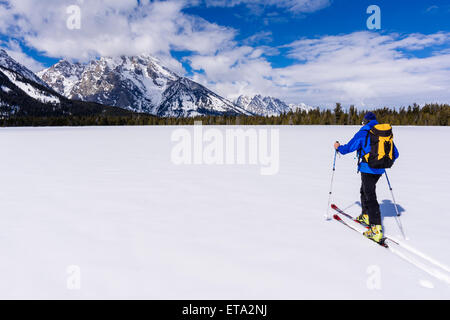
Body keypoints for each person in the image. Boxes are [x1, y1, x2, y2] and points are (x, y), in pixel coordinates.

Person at [334, 112, 399, 243]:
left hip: (367, 168)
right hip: (380, 169)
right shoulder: (383, 133)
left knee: (370, 196)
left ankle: (376, 230)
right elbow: (395, 154)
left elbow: (348, 148)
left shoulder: (363, 132)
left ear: (365, 121)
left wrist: (338, 147)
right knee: (364, 190)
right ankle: (366, 216)